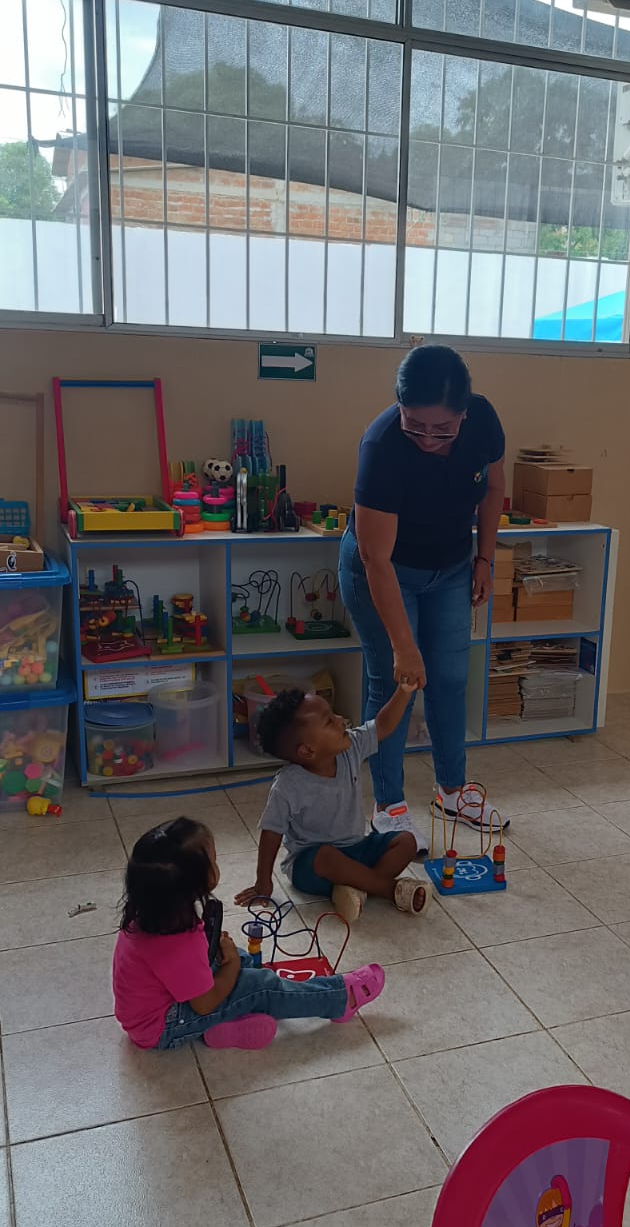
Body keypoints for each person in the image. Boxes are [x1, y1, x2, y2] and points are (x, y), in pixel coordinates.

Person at [339, 344, 509, 850]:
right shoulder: (382, 445)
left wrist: (484, 559)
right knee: (397, 682)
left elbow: (493, 489)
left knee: (451, 678)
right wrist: (403, 646)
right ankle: (388, 807)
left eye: (443, 429)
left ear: (464, 412)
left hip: (451, 566)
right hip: (385, 570)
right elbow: (376, 559)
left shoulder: (483, 421)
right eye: (415, 425)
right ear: (399, 406)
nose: (429, 439)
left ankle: (452, 792)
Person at [112, 817, 384, 1053]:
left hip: (155, 1012)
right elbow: (204, 1004)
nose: (217, 862)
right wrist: (230, 965)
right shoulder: (178, 940)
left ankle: (228, 1024)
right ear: (193, 882)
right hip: (164, 1027)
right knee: (259, 984)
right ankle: (339, 999)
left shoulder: (152, 912)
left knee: (240, 960)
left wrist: (222, 956)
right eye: (214, 859)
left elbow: (177, 966)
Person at [236, 682, 429, 924]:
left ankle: (357, 888)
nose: (341, 720)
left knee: (407, 841)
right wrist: (263, 881)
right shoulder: (288, 785)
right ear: (307, 751)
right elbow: (271, 832)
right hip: (312, 865)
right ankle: (389, 889)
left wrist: (404, 691)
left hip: (356, 849)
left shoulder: (351, 747)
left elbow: (382, 725)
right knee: (326, 856)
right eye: (329, 721)